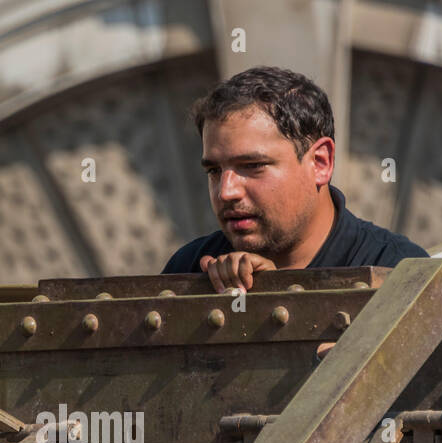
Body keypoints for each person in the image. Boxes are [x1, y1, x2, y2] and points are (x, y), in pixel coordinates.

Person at [164, 65, 427, 293]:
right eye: (214, 171)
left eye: (253, 165)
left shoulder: (398, 268)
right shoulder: (188, 269)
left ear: (320, 163)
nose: (226, 192)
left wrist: (278, 292)